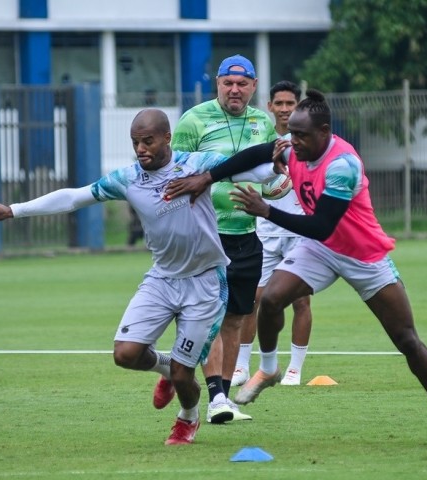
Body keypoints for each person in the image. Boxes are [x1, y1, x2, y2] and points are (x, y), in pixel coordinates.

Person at [164, 89, 427, 448]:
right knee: (271, 298)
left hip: (363, 254)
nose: (292, 142)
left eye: (301, 135)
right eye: (291, 134)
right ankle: (268, 368)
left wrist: (266, 211)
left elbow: (322, 225)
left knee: (407, 340)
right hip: (320, 250)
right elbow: (250, 155)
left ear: (325, 131)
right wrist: (207, 178)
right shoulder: (295, 148)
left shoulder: (343, 165)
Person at [0, 109, 277, 445]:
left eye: (147, 140)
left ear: (167, 137)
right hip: (162, 280)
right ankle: (166, 366)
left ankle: (188, 417)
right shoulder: (128, 178)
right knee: (125, 354)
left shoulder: (196, 164)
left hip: (205, 282)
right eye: (135, 142)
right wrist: (15, 210)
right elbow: (74, 197)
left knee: (184, 375)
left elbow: (249, 167)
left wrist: (275, 173)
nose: (140, 148)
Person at [170, 54, 277, 423]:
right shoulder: (194, 120)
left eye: (242, 84)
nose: (234, 89)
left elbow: (274, 171)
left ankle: (222, 395)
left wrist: (278, 187)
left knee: (235, 318)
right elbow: (175, 176)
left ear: (253, 86)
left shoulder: (263, 122)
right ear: (218, 83)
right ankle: (215, 396)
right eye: (228, 83)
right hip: (205, 236)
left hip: (247, 235)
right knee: (211, 316)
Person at [232, 80, 312, 387]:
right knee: (253, 299)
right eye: (278, 104)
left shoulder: (306, 140)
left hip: (299, 230)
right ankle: (241, 365)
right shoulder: (261, 138)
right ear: (270, 107)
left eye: (290, 104)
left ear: (298, 107)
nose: (284, 109)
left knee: (300, 300)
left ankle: (295, 368)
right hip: (265, 230)